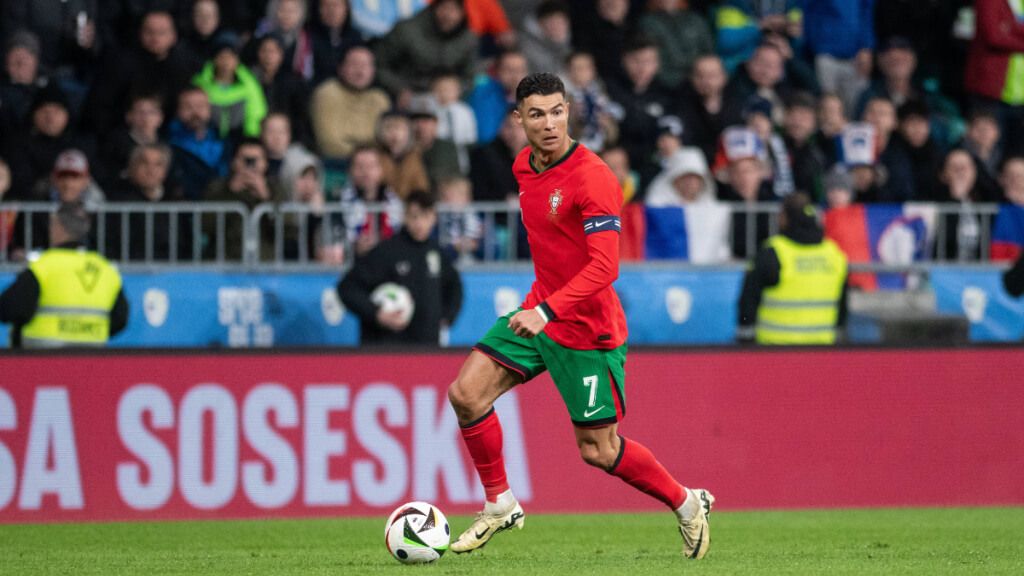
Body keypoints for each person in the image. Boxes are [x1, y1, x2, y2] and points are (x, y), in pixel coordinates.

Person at [445, 72, 715, 559]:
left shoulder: (592, 177)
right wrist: (540, 308)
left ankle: (687, 503)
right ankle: (500, 503)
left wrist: (547, 311)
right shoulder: (524, 166)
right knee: (466, 395)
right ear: (518, 120)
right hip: (538, 311)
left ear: (568, 111)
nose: (548, 124)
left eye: (556, 111)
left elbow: (605, 266)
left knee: (599, 451)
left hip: (586, 329)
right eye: (536, 114)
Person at [337, 190, 462, 345]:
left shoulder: (437, 253)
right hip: (388, 350)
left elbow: (455, 285)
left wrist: (448, 316)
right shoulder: (386, 252)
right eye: (414, 216)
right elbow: (347, 287)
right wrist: (376, 314)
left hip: (428, 350)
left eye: (425, 216)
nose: (419, 223)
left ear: (434, 218)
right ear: (404, 216)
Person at [0, 202, 128, 348]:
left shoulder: (43, 265)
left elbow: (10, 309)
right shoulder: (105, 269)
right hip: (91, 356)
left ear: (57, 227)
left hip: (40, 355)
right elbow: (120, 318)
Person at [736, 192, 848, 345]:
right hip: (822, 351)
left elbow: (748, 300)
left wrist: (745, 337)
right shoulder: (834, 254)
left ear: (784, 217)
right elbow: (842, 307)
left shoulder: (773, 253)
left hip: (775, 351)